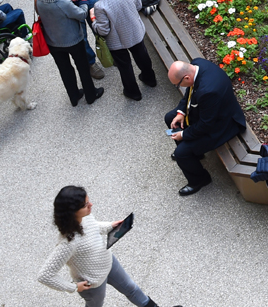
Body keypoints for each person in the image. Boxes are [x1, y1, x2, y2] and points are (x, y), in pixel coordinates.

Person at [38, 186, 177, 307]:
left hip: (109, 264)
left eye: (88, 201)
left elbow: (94, 227)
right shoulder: (67, 243)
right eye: (85, 205)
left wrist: (111, 226)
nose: (91, 205)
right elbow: (45, 276)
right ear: (72, 212)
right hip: (93, 283)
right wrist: (73, 287)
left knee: (131, 288)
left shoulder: (85, 217)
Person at [166, 57, 247, 195]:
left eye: (178, 85)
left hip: (223, 124)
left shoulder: (208, 91)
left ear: (186, 77)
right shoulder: (196, 64)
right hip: (209, 112)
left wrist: (183, 135)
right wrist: (181, 112)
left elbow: (206, 125)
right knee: (170, 118)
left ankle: (200, 180)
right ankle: (194, 154)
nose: (179, 87)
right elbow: (190, 90)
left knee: (181, 154)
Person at [36, 0, 103, 106]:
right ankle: (91, 94)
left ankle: (74, 96)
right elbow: (81, 14)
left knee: (65, 70)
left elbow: (50, 7)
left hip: (53, 43)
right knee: (82, 67)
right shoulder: (63, 3)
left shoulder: (38, 0)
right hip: (73, 41)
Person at [90, 0, 157, 101]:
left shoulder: (100, 6)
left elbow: (103, 30)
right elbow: (138, 5)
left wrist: (93, 19)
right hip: (135, 31)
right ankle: (149, 78)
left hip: (117, 41)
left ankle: (133, 92)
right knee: (142, 55)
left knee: (124, 66)